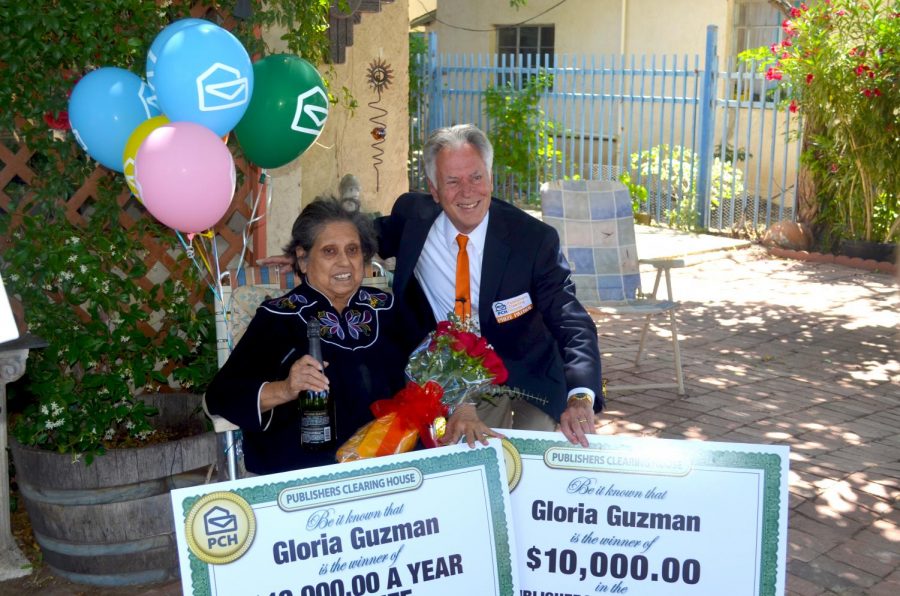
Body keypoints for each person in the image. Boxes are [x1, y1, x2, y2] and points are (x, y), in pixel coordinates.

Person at [376, 124, 603, 448]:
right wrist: (304, 251)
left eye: (476, 177)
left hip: (529, 372)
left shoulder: (532, 239)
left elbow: (569, 317)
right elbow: (365, 234)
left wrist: (581, 394)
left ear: (491, 178)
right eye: (452, 181)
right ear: (434, 189)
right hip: (454, 370)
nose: (467, 192)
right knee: (474, 450)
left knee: (528, 453)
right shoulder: (413, 218)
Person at [206, 196, 405, 475]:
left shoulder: (389, 308)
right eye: (329, 252)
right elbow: (222, 395)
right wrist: (286, 389)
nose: (345, 263)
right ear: (302, 257)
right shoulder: (279, 317)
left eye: (352, 250)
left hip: (392, 459)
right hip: (308, 470)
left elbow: (431, 368)